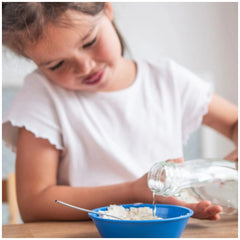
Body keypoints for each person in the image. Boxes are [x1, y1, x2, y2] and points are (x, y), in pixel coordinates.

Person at [2, 2, 238, 222]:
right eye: (56, 65)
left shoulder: (167, 80)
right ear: (33, 61)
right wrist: (132, 192)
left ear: (107, 10)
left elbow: (233, 122)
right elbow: (34, 203)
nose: (85, 67)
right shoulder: (42, 95)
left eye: (89, 42)